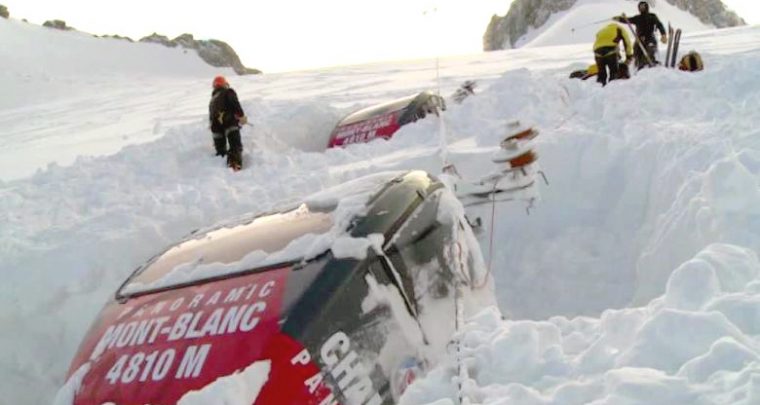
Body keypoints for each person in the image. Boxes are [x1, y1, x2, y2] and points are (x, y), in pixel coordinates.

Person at [208, 75, 247, 170]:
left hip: (216, 128)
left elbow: (211, 117)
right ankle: (234, 164)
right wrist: (241, 116)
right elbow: (234, 103)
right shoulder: (228, 92)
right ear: (224, 84)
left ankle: (220, 170)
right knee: (235, 144)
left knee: (220, 151)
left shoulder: (212, 101)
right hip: (229, 122)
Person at [614, 1, 666, 69]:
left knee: (649, 52)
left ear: (646, 7)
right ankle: (638, 68)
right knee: (636, 53)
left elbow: (659, 25)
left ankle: (650, 66)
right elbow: (628, 20)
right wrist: (619, 19)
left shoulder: (652, 16)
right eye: (640, 7)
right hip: (639, 39)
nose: (642, 8)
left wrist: (663, 34)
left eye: (643, 7)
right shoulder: (637, 18)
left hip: (650, 38)